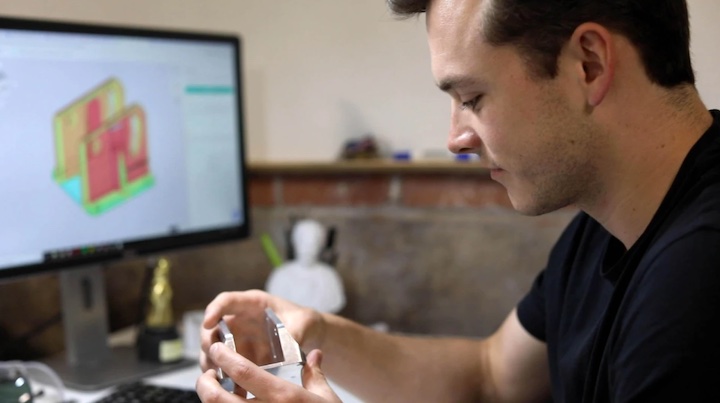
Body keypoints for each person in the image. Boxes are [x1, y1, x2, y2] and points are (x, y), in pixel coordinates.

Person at [196, 0, 720, 401]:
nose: (456, 139)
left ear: (589, 63)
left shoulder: (697, 275)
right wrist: (319, 332)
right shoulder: (609, 224)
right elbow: (489, 377)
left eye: (472, 98)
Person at [265, 219, 346, 314]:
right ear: (295, 242)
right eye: (303, 242)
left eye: (314, 243)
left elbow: (335, 303)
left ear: (321, 245)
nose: (308, 248)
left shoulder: (329, 276)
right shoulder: (281, 274)